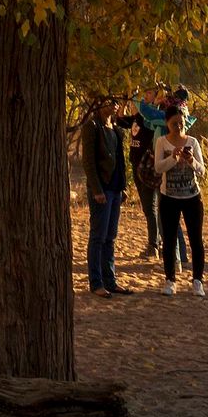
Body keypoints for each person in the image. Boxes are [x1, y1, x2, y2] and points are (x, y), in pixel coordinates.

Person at [80, 91, 128, 295]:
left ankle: (110, 280)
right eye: (110, 101)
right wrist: (97, 189)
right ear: (98, 104)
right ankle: (96, 282)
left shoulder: (115, 130)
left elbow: (120, 161)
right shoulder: (91, 127)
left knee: (111, 236)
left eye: (116, 102)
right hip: (101, 189)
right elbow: (89, 162)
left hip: (115, 188)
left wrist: (123, 186)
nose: (114, 104)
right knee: (98, 236)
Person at [156, 106, 208, 294]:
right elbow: (158, 168)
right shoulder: (162, 142)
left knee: (196, 239)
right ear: (167, 124)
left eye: (181, 122)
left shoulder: (193, 142)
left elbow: (202, 171)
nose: (179, 126)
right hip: (169, 197)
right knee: (169, 240)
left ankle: (197, 281)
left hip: (192, 197)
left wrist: (191, 161)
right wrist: (173, 158)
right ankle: (170, 280)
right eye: (174, 123)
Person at [127, 100, 160, 258]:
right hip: (135, 165)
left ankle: (153, 245)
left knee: (150, 207)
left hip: (146, 167)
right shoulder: (135, 119)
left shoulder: (149, 120)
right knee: (148, 207)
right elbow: (120, 119)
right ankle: (154, 243)